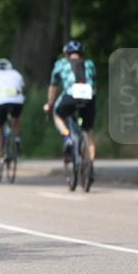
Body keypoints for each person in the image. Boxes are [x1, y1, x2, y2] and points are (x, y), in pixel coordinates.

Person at [44, 39, 97, 176]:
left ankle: (67, 136)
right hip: (89, 96)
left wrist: (49, 104)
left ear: (66, 54)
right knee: (88, 130)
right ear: (81, 53)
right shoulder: (89, 64)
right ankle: (90, 166)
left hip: (70, 95)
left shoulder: (61, 64)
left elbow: (53, 86)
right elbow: (94, 82)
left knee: (57, 113)